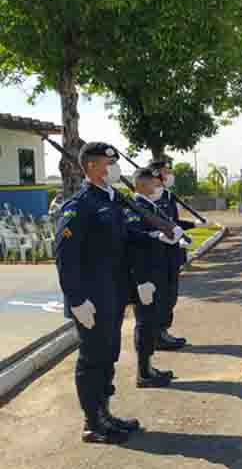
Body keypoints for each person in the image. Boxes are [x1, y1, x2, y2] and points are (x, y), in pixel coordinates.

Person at [56, 143, 182, 443]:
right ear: (91, 167)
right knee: (93, 358)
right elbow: (65, 256)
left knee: (108, 355)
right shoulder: (80, 204)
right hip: (90, 298)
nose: (115, 169)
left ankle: (104, 413)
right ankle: (93, 423)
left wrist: (157, 235)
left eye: (115, 163)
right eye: (108, 163)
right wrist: (76, 299)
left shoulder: (111, 200)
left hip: (113, 292)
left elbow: (125, 237)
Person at [124, 168, 178, 388]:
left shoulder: (149, 206)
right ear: (142, 185)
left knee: (150, 321)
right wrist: (140, 280)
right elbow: (133, 244)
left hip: (155, 272)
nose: (158, 188)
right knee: (145, 323)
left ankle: (147, 368)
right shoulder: (133, 208)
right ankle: (144, 373)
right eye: (155, 184)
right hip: (144, 275)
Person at [148, 159, 195, 350]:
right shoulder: (147, 198)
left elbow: (173, 222)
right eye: (166, 172)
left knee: (170, 296)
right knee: (160, 297)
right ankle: (157, 335)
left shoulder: (168, 195)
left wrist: (192, 226)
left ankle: (163, 331)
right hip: (157, 255)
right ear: (156, 175)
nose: (169, 175)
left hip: (172, 254)